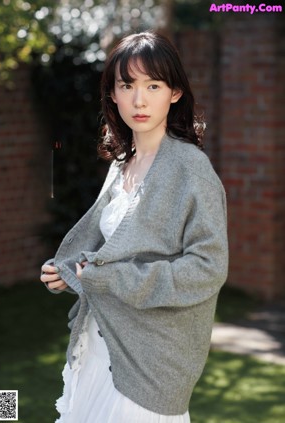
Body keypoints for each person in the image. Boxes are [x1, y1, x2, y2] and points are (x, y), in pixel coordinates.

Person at [40, 31, 228, 423]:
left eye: (153, 85)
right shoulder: (122, 164)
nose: (139, 100)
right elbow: (111, 249)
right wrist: (70, 272)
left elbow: (207, 269)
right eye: (127, 85)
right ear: (112, 94)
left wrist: (113, 279)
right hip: (100, 342)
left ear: (174, 92)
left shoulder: (191, 170)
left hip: (150, 360)